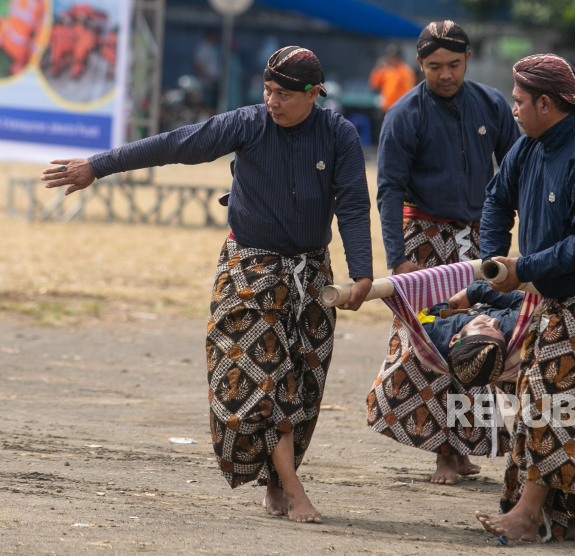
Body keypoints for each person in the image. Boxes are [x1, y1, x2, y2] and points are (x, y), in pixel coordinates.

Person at [40, 46, 374, 525]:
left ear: (313, 94)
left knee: (302, 386)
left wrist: (361, 272)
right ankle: (295, 490)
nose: (272, 101)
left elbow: (354, 206)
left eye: (283, 94)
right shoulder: (246, 123)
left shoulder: (338, 135)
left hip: (311, 277)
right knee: (261, 381)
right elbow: (176, 144)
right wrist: (99, 165)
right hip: (248, 272)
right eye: (267, 91)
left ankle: (279, 480)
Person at [474, 54, 575, 543]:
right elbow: (495, 199)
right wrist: (492, 259)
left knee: (550, 401)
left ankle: (527, 515)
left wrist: (521, 269)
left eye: (520, 102)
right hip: (560, 297)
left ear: (546, 104)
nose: (513, 110)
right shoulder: (529, 147)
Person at [368, 20, 521, 486]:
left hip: (480, 243)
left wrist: (502, 248)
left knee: (478, 341)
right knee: (431, 345)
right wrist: (399, 260)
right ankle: (441, 453)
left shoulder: (492, 104)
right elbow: (388, 189)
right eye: (435, 66)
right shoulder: (404, 114)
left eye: (454, 64)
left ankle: (461, 448)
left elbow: (517, 170)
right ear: (420, 65)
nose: (445, 74)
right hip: (424, 245)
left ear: (467, 59)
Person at [369, 44, 416, 113]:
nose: (392, 59)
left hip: (399, 109)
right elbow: (374, 85)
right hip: (386, 108)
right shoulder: (386, 70)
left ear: (399, 57)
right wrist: (378, 68)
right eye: (390, 57)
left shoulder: (405, 71)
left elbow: (409, 91)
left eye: (394, 57)